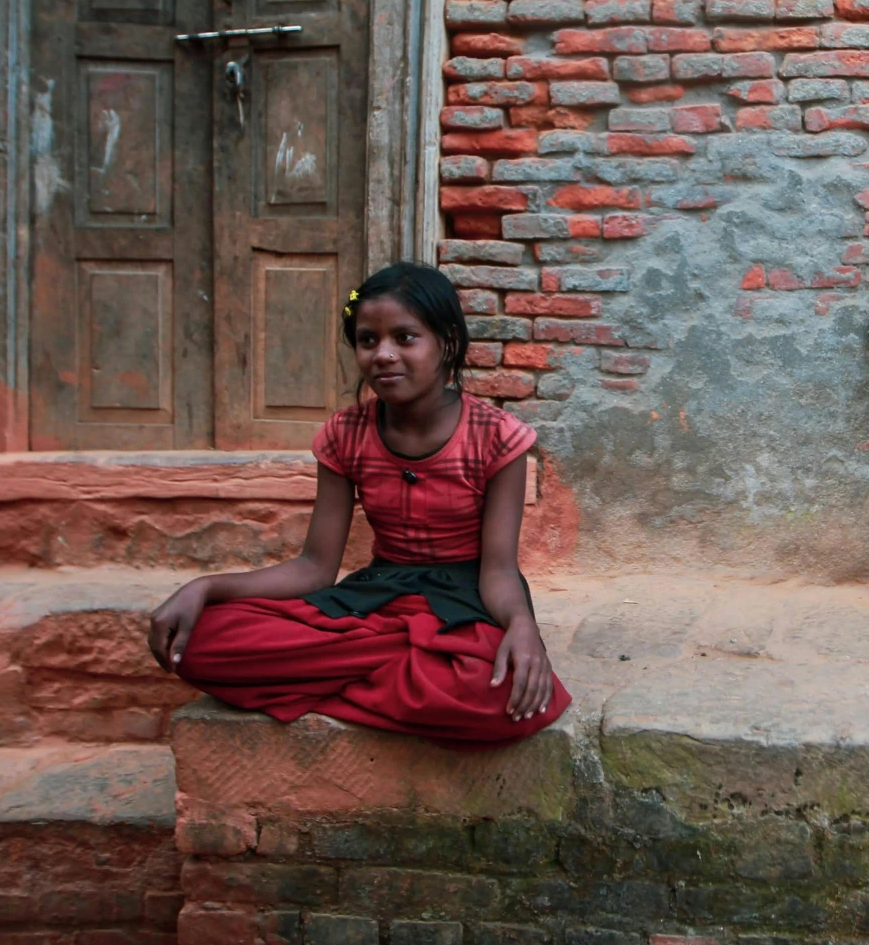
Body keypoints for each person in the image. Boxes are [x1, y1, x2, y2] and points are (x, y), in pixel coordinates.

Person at [147, 262, 567, 743]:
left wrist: (521, 625)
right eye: (368, 340)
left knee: (497, 690)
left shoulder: (497, 437)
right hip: (377, 594)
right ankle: (411, 680)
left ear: (447, 343)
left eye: (405, 338)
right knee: (202, 642)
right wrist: (206, 587)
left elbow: (497, 569)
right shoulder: (344, 434)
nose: (383, 354)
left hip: (463, 600)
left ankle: (332, 678)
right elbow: (315, 567)